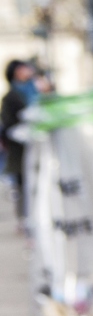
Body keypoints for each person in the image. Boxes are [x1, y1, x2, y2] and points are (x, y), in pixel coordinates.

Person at [1, 59, 36, 223]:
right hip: (19, 148)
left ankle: (32, 217)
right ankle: (24, 219)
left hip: (36, 145)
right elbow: (8, 124)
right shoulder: (10, 97)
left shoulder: (34, 89)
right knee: (23, 184)